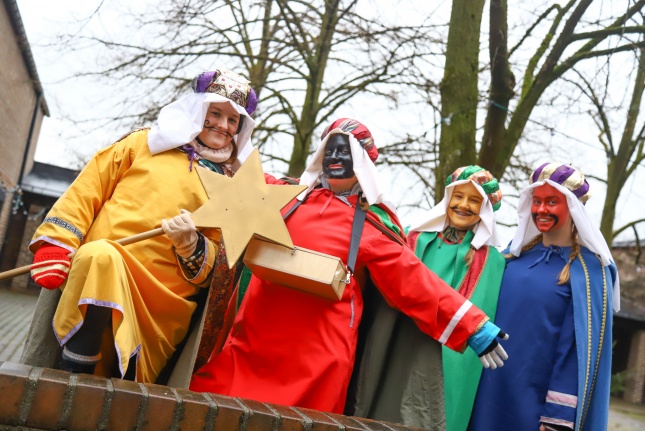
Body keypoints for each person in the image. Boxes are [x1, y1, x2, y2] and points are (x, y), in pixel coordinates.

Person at [189, 118, 508, 416]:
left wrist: (472, 325)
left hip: (317, 363)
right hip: (251, 345)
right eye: (331, 148)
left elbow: (413, 281)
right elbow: (222, 173)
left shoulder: (372, 224)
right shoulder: (281, 194)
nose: (336, 157)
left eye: (346, 151)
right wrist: (204, 134)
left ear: (364, 165)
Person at [26, 68, 258, 383]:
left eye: (233, 120)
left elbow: (219, 266)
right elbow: (88, 189)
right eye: (215, 113)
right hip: (97, 263)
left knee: (128, 390)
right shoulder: (144, 142)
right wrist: (56, 241)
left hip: (162, 299)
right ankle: (72, 385)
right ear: (196, 109)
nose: (223, 125)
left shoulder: (234, 187)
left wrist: (192, 245)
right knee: (100, 257)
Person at [469, 162, 619, 431]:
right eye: (536, 201)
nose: (541, 210)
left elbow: (576, 353)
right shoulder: (511, 259)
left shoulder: (590, 272)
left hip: (536, 408)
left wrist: (556, 418)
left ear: (573, 207)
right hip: (486, 395)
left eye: (552, 202)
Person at [407, 165, 505, 431]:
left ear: (485, 209)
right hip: (403, 345)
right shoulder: (412, 239)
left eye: (474, 200)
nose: (464, 205)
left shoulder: (492, 261)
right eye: (458, 196)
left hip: (450, 360)